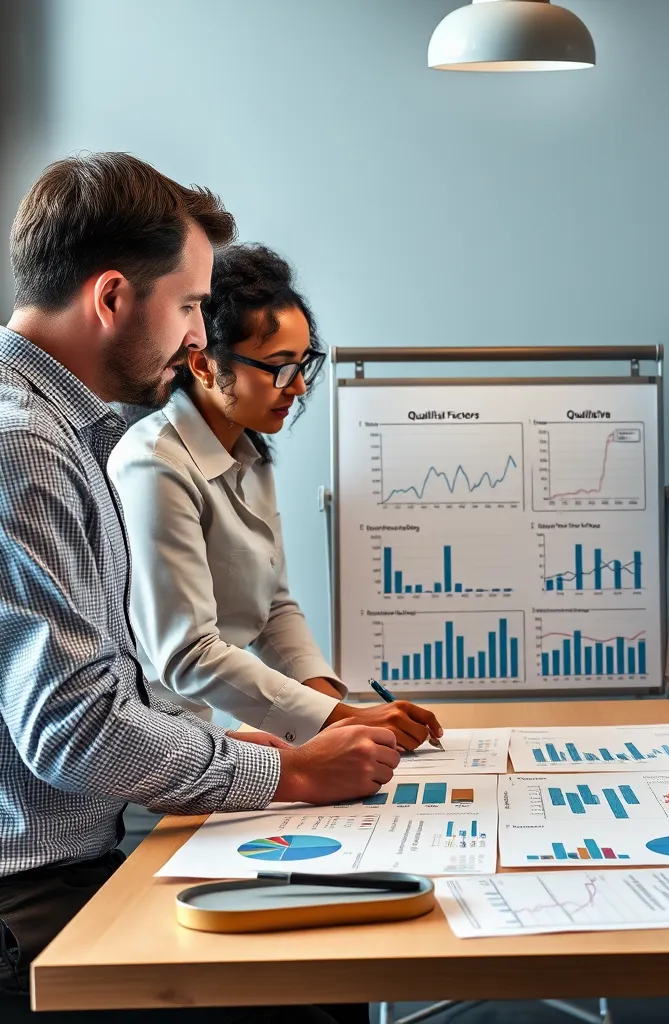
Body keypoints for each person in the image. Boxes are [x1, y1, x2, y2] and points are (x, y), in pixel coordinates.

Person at [0, 152, 397, 1023]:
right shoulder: (28, 443)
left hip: (72, 857)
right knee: (317, 997)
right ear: (111, 297)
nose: (193, 339)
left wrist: (299, 735)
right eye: (187, 306)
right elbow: (76, 731)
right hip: (31, 893)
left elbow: (110, 685)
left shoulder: (67, 430)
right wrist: (286, 769)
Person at [107, 244, 441, 750]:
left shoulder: (248, 451)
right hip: (148, 753)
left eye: (304, 362)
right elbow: (188, 656)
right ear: (201, 365)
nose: (300, 385)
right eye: (280, 366)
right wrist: (337, 719)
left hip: (204, 737)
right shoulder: (154, 464)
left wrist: (338, 707)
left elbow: (273, 607)